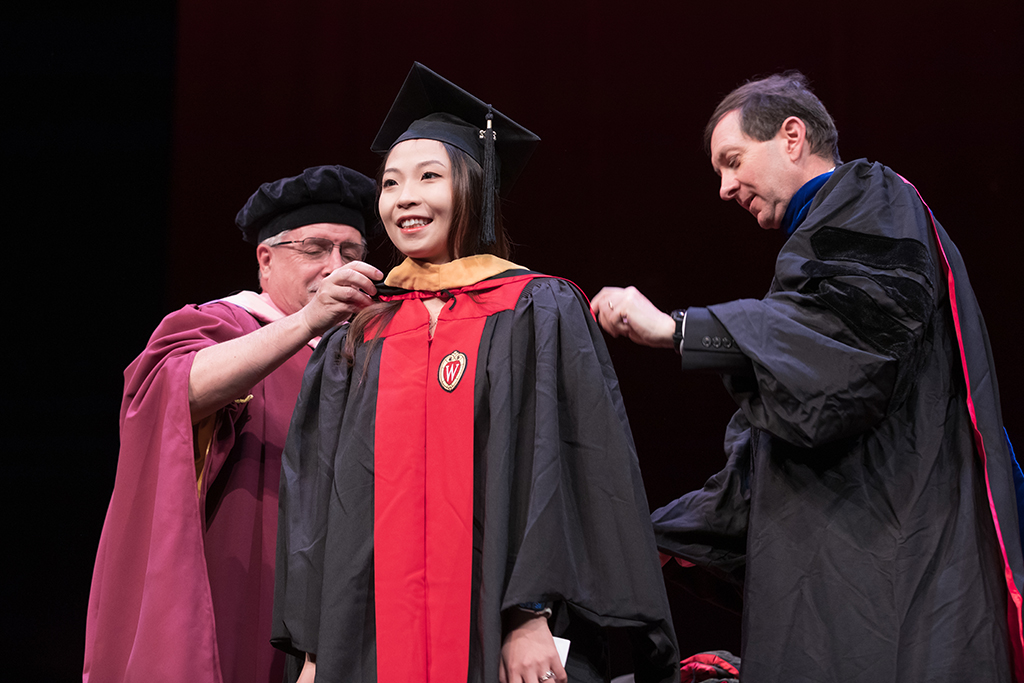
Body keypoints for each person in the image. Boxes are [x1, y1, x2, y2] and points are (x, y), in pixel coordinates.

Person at [590, 71, 1024, 682]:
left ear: (792, 136)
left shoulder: (872, 197)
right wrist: (645, 536)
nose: (724, 187)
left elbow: (845, 354)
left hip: (894, 579)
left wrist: (679, 330)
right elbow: (763, 468)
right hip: (836, 587)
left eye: (733, 160)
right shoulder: (815, 256)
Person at [271, 63, 679, 683]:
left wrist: (530, 613)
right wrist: (313, 651)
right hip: (369, 637)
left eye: (428, 177)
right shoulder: (359, 331)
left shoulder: (538, 309)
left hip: (501, 628)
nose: (404, 197)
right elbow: (320, 502)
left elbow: (565, 467)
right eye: (390, 183)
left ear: (473, 186)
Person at [83, 165, 382, 683]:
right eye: (315, 249)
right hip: (244, 589)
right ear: (266, 259)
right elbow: (169, 390)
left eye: (351, 253)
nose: (336, 267)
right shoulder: (223, 325)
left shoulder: (369, 354)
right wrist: (307, 323)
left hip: (346, 605)